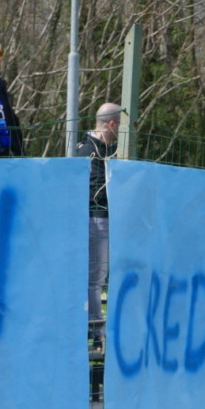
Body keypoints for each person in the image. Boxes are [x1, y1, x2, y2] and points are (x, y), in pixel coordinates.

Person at [75, 103, 121, 347]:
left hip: (104, 219)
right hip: (97, 219)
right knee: (96, 278)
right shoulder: (89, 152)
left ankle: (96, 326)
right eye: (120, 126)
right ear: (111, 125)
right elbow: (95, 190)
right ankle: (96, 330)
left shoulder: (105, 150)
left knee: (98, 277)